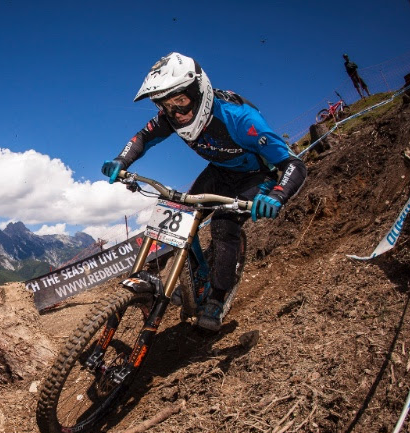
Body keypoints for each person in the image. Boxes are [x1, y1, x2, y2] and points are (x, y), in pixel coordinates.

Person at [102, 52, 307, 333]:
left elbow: (294, 164)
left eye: (180, 102)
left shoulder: (240, 119)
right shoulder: (170, 118)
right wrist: (121, 160)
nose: (175, 113)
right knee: (179, 211)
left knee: (224, 224)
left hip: (255, 175)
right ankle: (189, 276)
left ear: (200, 92)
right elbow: (143, 137)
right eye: (165, 105)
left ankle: (218, 297)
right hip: (220, 171)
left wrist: (277, 195)